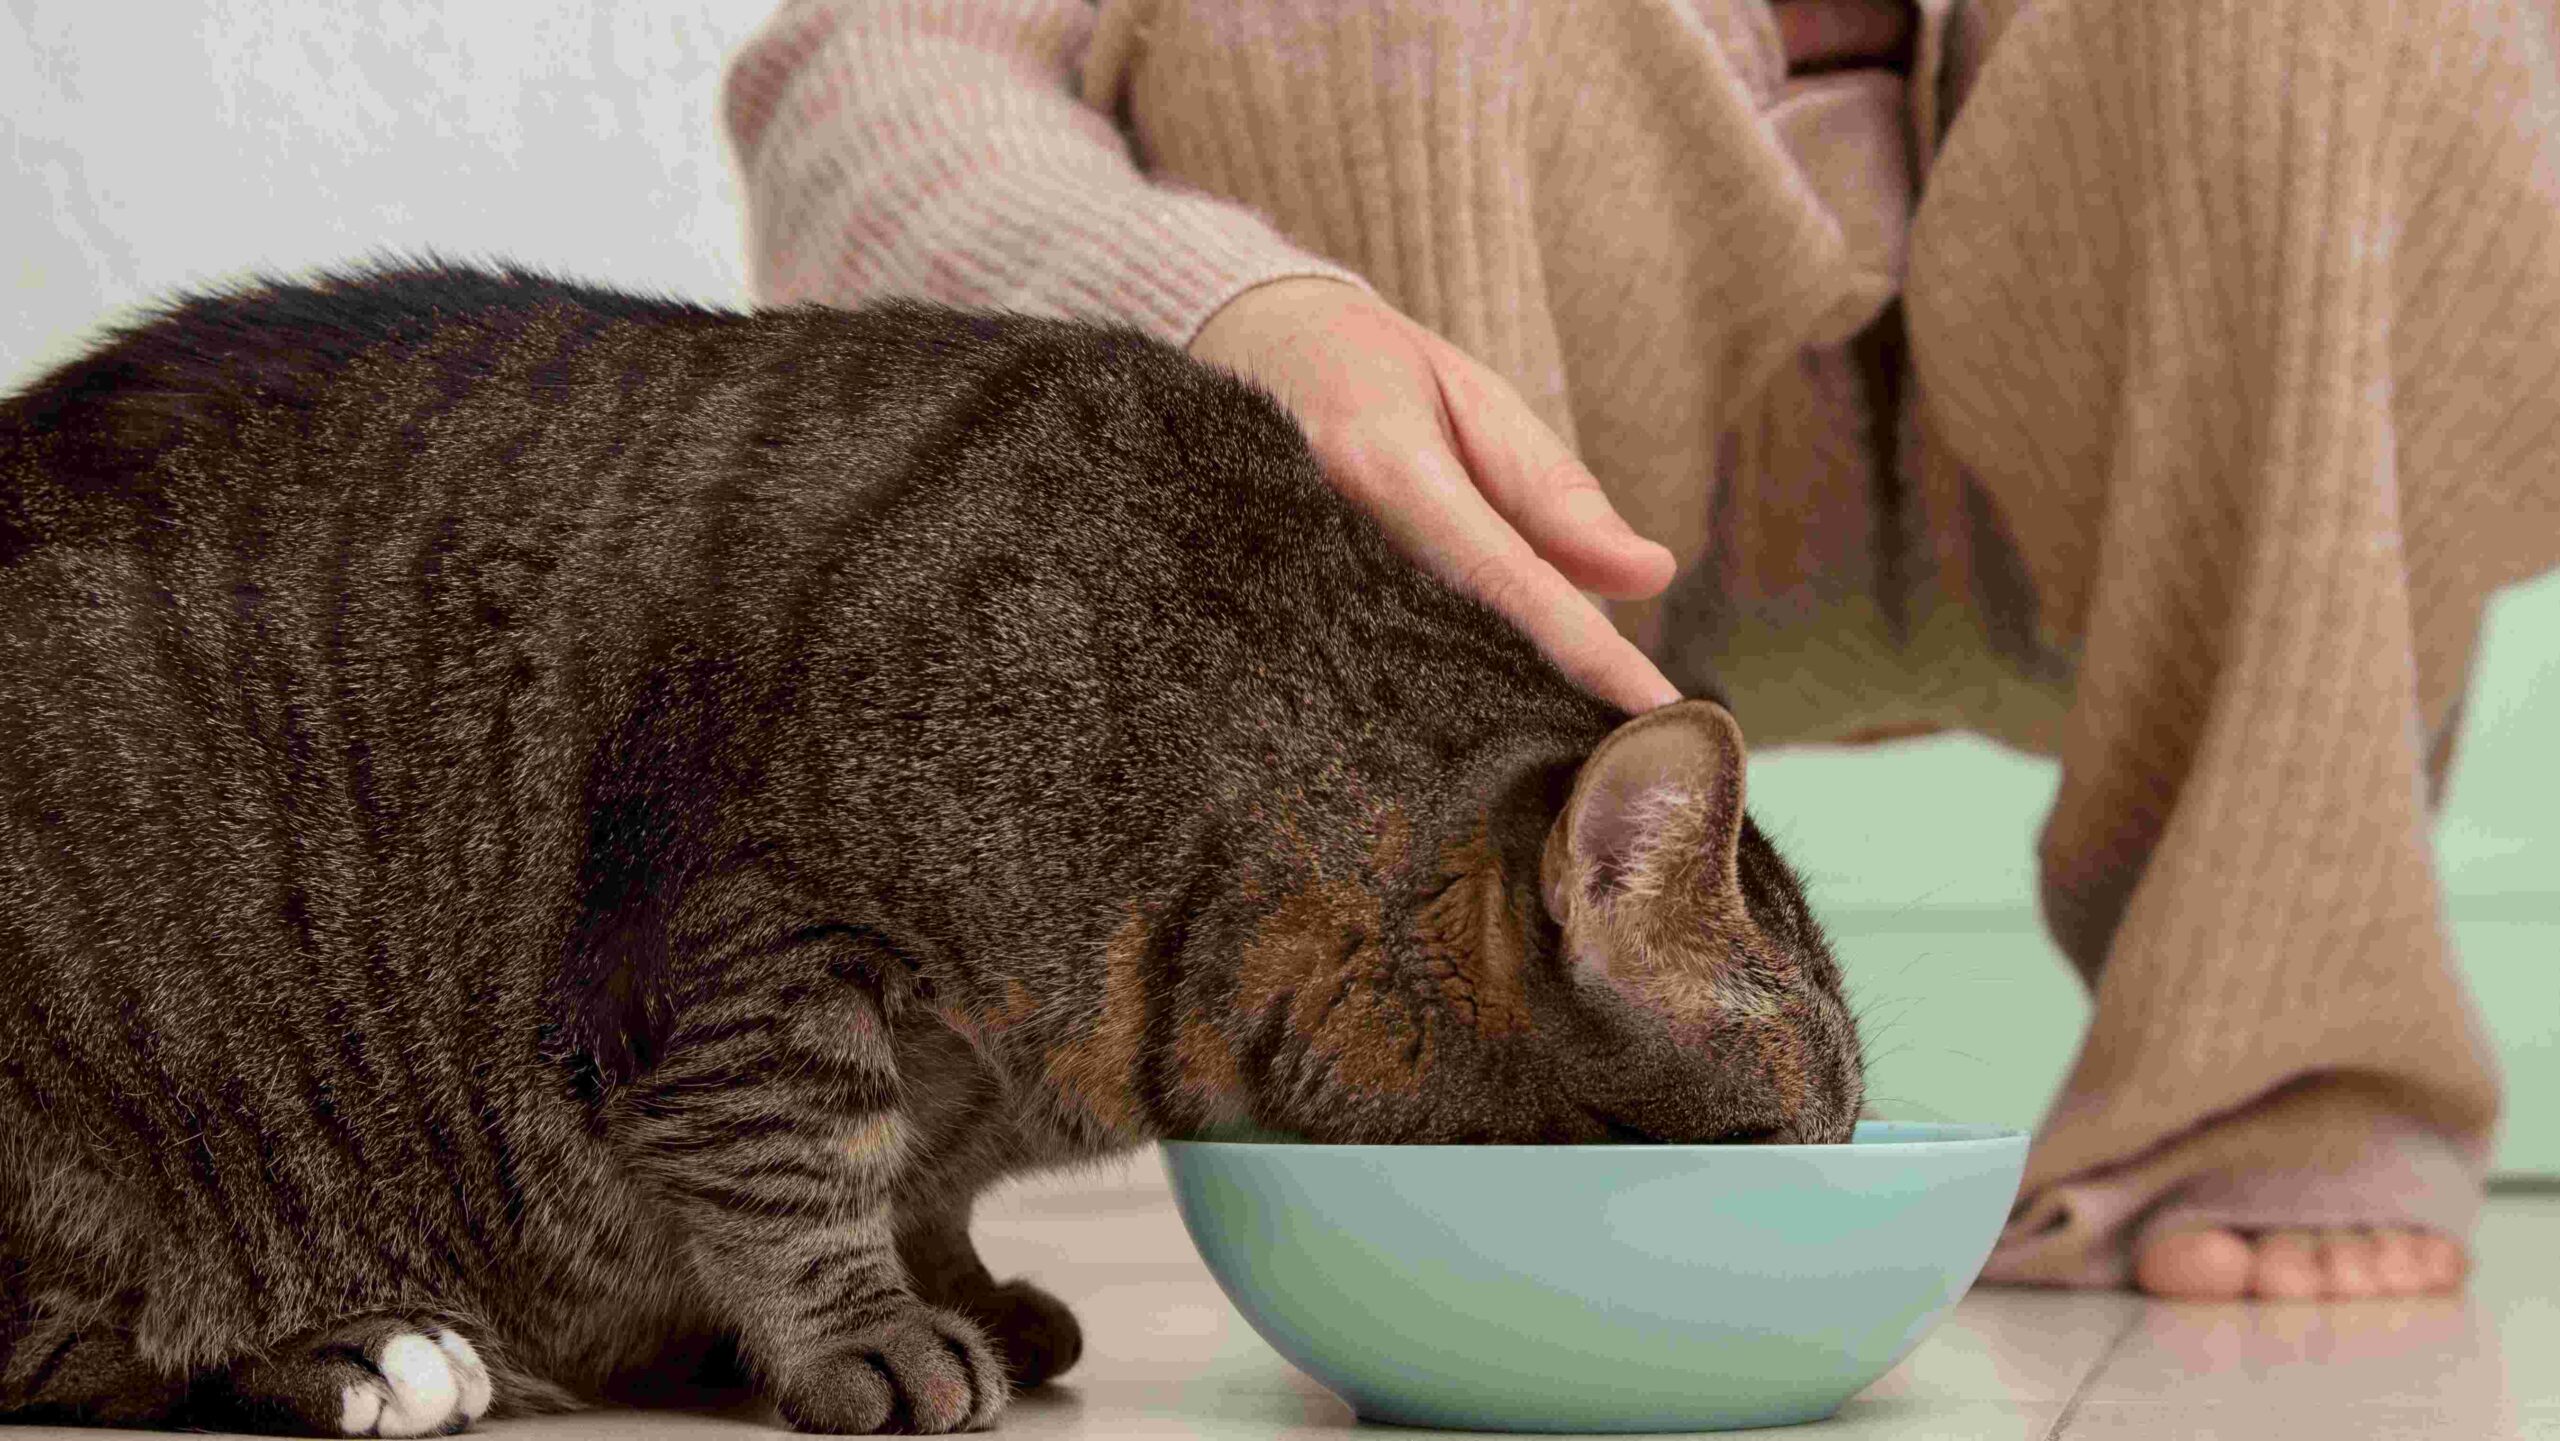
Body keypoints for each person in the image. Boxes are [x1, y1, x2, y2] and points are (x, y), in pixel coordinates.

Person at [719, 0, 2560, 1300]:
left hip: (2205, 418)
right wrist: (1219, 313)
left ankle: (2280, 1056)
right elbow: (873, 76)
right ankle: (1446, 1046)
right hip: (1461, 438)